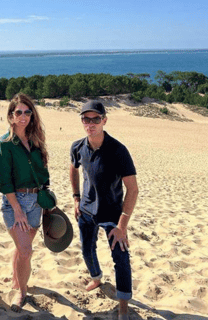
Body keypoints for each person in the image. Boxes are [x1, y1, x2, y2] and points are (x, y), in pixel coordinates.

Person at [69, 101, 139, 320]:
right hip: (86, 211)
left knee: (121, 258)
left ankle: (124, 304)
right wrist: (76, 198)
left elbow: (133, 190)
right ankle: (97, 277)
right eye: (85, 119)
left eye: (95, 119)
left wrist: (122, 226)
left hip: (112, 214)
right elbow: (73, 169)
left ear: (104, 120)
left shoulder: (118, 150)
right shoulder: (78, 147)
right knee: (87, 250)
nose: (90, 124)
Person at [0, 93, 49, 311]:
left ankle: (17, 280)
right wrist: (17, 209)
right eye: (19, 112)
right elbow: (5, 182)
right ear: (10, 116)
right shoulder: (3, 145)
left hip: (37, 201)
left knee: (22, 248)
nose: (23, 116)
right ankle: (21, 292)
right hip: (14, 202)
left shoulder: (36, 141)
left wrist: (47, 201)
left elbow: (43, 173)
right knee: (26, 251)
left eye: (28, 112)